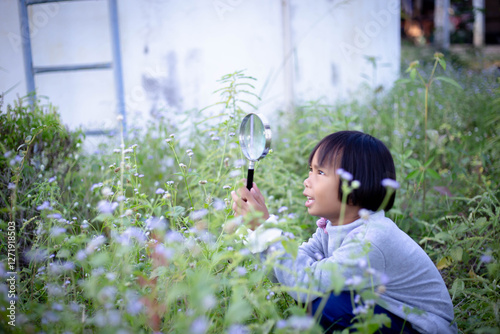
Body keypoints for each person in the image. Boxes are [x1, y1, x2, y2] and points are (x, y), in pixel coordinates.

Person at [231, 131, 457, 334]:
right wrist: (258, 228)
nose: (307, 181)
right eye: (310, 170)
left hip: (421, 328)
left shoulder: (371, 239)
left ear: (354, 185)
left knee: (324, 305)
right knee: (318, 302)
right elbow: (287, 274)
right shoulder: (333, 227)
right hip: (390, 316)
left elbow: (305, 285)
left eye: (320, 172)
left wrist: (266, 228)